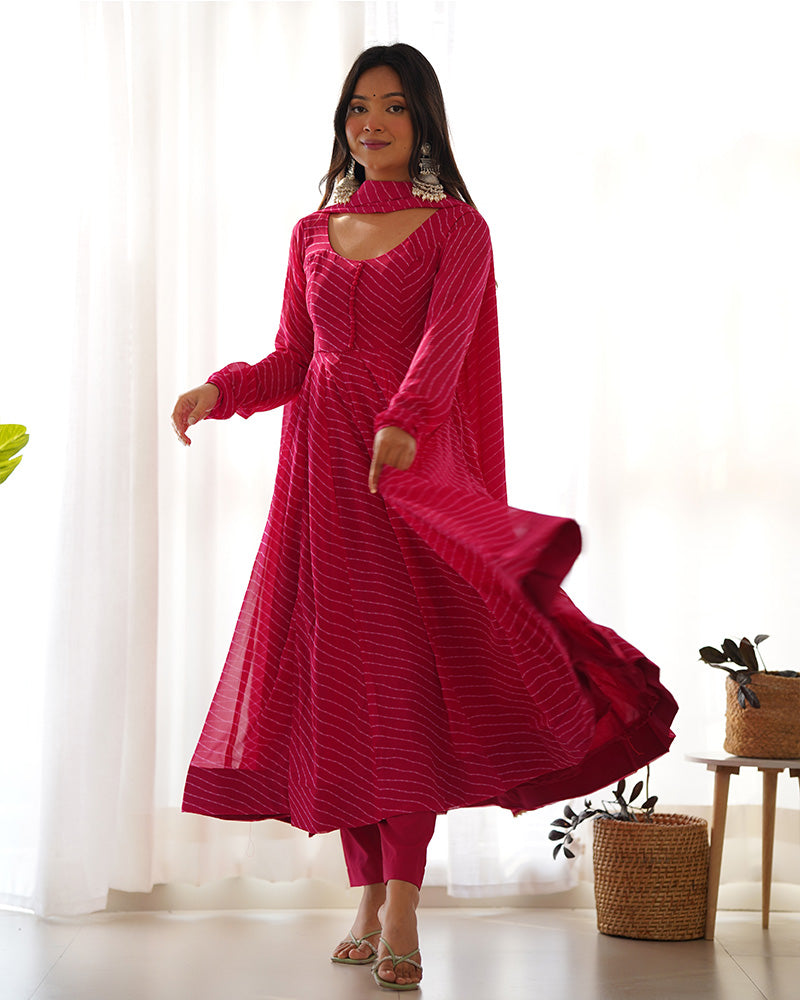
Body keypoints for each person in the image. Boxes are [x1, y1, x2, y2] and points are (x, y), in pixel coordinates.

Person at [172, 43, 677, 991]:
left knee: (401, 693)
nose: (372, 122)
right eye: (358, 106)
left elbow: (444, 347)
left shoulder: (458, 231)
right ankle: (366, 897)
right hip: (320, 490)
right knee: (338, 691)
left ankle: (402, 903)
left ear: (425, 121)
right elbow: (295, 358)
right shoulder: (311, 232)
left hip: (407, 483)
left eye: (394, 106)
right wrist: (221, 390)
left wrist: (402, 424)